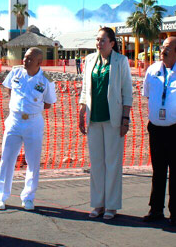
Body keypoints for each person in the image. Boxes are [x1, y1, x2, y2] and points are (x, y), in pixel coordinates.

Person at [78, 27, 133, 220]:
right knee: (97, 163)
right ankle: (98, 203)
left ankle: (111, 205)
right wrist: (81, 110)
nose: (99, 43)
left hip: (113, 119)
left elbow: (127, 91)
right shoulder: (90, 60)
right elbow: (85, 88)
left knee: (112, 163)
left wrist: (125, 119)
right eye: (97, 40)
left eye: (103, 40)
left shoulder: (121, 61)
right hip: (94, 118)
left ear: (112, 43)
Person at [142, 36, 176, 225]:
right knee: (158, 171)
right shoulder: (151, 71)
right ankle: (155, 209)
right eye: (162, 46)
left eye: (167, 47)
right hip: (156, 129)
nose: (163, 50)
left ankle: (175, 212)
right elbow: (147, 95)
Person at [0, 47, 57, 211]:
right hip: (14, 121)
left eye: (29, 59)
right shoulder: (15, 72)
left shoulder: (46, 80)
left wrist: (31, 109)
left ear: (39, 62)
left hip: (33, 123)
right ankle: (1, 197)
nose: (25, 60)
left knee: (33, 162)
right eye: (25, 57)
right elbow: (9, 89)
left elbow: (49, 103)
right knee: (7, 159)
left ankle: (28, 197)